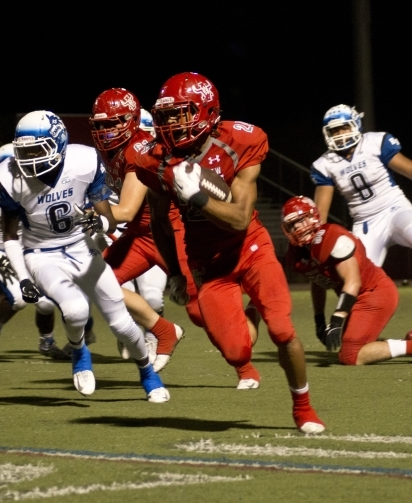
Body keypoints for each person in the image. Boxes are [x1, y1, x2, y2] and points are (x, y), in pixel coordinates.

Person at [133, 72, 325, 433]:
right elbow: (160, 222)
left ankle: (303, 407)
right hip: (208, 265)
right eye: (166, 116)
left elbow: (238, 219)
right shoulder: (154, 160)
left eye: (180, 114)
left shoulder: (241, 140)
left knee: (282, 330)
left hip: (249, 248)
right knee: (238, 353)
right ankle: (253, 310)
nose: (171, 123)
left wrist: (199, 198)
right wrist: (175, 271)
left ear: (206, 112)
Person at [0, 110, 169, 402]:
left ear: (59, 143)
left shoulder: (84, 161)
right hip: (41, 253)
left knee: (123, 324)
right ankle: (79, 351)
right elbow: (10, 235)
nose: (30, 158)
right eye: (25, 151)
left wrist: (102, 222)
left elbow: (108, 218)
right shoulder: (7, 176)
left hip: (81, 246)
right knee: (75, 309)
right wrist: (23, 277)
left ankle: (148, 373)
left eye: (38, 149)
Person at [89, 90, 194, 372]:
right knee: (97, 281)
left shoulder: (139, 150)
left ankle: (245, 361)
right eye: (99, 125)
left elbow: (125, 211)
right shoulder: (110, 152)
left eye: (112, 123)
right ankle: (163, 331)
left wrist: (90, 218)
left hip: (167, 232)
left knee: (198, 306)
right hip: (138, 235)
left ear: (132, 120)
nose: (105, 130)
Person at [0, 143, 70, 361]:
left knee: (47, 302)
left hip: (29, 249)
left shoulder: (42, 182)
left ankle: (47, 341)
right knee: (19, 299)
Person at [281, 195, 412, 364]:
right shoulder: (297, 255)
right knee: (352, 344)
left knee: (350, 355)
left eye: (301, 220)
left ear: (313, 217)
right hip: (356, 299)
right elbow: (317, 280)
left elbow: (353, 281)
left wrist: (337, 319)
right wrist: (319, 319)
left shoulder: (332, 237)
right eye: (292, 224)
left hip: (375, 294)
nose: (298, 227)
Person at [311, 104, 412, 267]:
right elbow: (321, 212)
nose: (339, 134)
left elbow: (409, 169)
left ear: (355, 125)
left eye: (343, 128)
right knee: (361, 276)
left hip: (395, 207)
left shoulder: (375, 142)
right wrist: (317, 241)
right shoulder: (324, 164)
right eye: (334, 130)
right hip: (365, 222)